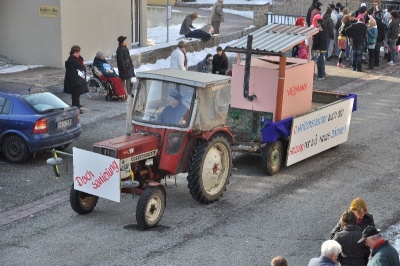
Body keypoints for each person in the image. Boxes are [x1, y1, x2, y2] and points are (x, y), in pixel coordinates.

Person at [63, 45, 88, 114]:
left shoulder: (77, 59)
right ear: (73, 53)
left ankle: (77, 105)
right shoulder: (72, 60)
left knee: (77, 94)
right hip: (74, 80)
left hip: (78, 79)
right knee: (75, 95)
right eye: (76, 53)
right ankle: (76, 108)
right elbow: (77, 69)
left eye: (79, 53)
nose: (78, 54)